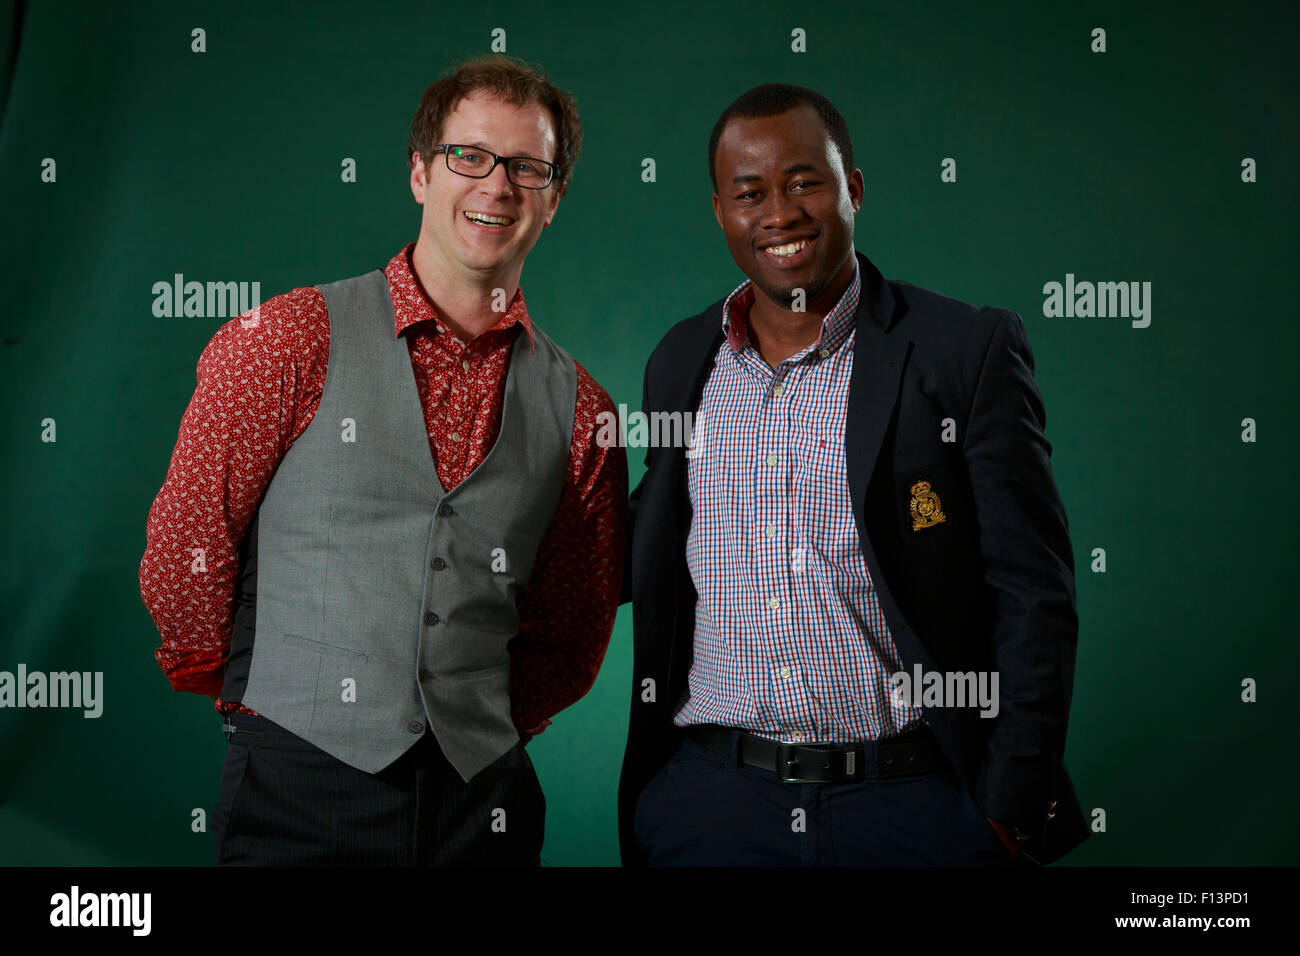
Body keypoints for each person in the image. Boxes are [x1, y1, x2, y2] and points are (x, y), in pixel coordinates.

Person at [139, 54, 627, 866]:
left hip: (482, 806)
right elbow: (188, 551)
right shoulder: (288, 340)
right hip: (294, 785)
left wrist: (474, 725)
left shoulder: (583, 408)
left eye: (527, 168)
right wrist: (270, 708)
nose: (496, 186)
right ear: (418, 173)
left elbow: (574, 631)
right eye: (469, 156)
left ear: (555, 199)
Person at [618, 83, 1088, 866]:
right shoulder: (681, 361)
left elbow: (1034, 591)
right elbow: (650, 545)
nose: (780, 213)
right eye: (750, 193)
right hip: (715, 804)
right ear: (720, 213)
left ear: (853, 189)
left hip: (915, 802)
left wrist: (1008, 803)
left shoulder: (958, 350)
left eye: (805, 181)